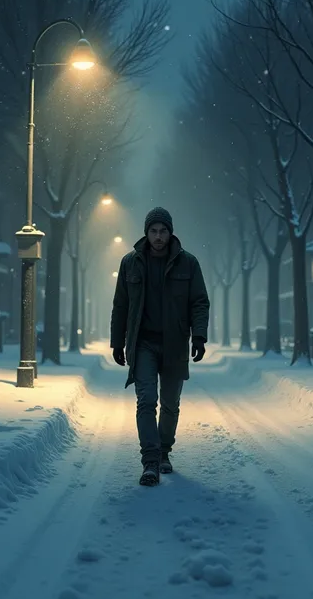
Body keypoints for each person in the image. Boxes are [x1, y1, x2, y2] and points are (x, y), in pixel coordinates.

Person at [110, 207, 210, 486]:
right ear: (146, 232)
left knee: (170, 404)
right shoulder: (130, 263)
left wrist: (199, 336)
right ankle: (150, 461)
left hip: (175, 344)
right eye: (153, 231)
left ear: (170, 232)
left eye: (163, 231)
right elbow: (121, 305)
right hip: (143, 343)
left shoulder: (188, 264)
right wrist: (117, 342)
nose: (158, 236)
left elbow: (199, 302)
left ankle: (165, 451)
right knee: (145, 401)